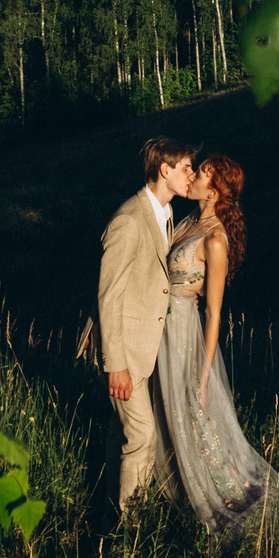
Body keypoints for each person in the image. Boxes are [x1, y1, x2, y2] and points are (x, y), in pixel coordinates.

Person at [158, 152, 279, 544]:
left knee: (193, 417)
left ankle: (224, 497)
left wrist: (204, 377)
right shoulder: (187, 220)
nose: (194, 176)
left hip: (183, 334)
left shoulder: (215, 239)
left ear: (215, 190)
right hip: (161, 328)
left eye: (203, 173)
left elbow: (214, 313)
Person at [96, 136, 195, 512]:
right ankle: (131, 531)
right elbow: (109, 296)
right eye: (186, 167)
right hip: (125, 354)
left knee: (119, 435)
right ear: (165, 170)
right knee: (142, 436)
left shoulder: (165, 214)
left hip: (146, 350)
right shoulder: (129, 220)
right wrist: (115, 364)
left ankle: (109, 515)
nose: (191, 174)